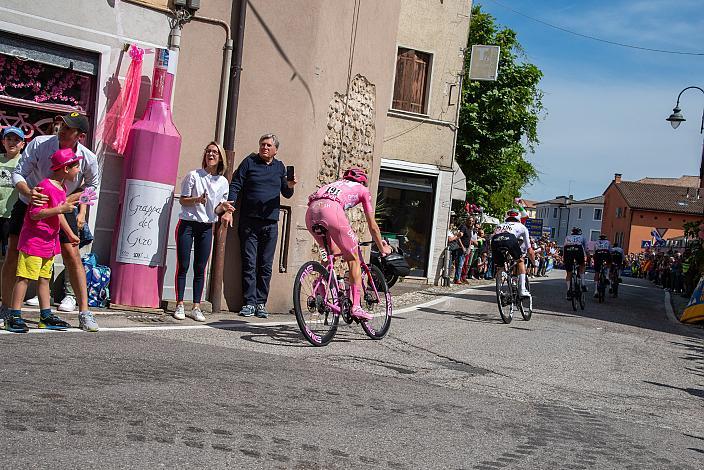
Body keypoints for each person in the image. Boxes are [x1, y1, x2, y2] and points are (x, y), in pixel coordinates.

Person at [4, 112, 99, 331]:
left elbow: (92, 186)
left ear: (80, 136)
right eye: (61, 125)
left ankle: (84, 312)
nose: (62, 130)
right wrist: (30, 191)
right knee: (14, 254)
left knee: (72, 254)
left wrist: (75, 202)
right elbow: (18, 173)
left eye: (68, 128)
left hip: (62, 206)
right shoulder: (40, 143)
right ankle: (8, 309)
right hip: (29, 203)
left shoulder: (88, 158)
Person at [4, 148, 81, 333]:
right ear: (65, 168)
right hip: (34, 241)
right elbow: (36, 214)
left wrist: (70, 234)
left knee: (44, 279)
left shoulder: (61, 188)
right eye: (75, 166)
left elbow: (59, 214)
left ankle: (45, 316)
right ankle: (13, 316)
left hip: (48, 242)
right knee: (24, 278)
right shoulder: (45, 186)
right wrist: (60, 210)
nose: (78, 170)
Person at [305, 168, 392, 320]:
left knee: (330, 252)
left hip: (312, 212)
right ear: (363, 181)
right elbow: (372, 225)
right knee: (353, 258)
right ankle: (356, 306)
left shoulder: (334, 184)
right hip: (331, 210)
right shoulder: (363, 190)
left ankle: (318, 286)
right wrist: (381, 247)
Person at [228, 133, 296, 318]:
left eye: (268, 145)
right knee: (249, 263)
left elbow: (287, 194)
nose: (264, 148)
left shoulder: (280, 167)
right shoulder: (249, 162)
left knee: (265, 265)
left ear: (275, 150)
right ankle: (249, 302)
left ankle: (260, 303)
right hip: (249, 222)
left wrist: (290, 185)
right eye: (262, 144)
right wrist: (229, 207)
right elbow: (235, 185)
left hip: (270, 224)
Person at [173, 142, 234, 322]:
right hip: (188, 224)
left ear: (220, 157)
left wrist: (223, 208)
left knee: (200, 267)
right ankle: (180, 304)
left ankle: (197, 306)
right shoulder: (194, 176)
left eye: (215, 152)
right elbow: (183, 201)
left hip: (207, 226)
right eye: (208, 151)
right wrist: (197, 199)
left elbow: (215, 211)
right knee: (183, 264)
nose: (211, 154)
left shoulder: (223, 182)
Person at [490, 209, 535, 298]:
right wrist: (534, 263)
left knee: (500, 266)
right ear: (518, 217)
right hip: (510, 239)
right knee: (520, 261)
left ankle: (500, 289)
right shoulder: (522, 226)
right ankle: (522, 290)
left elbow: (493, 236)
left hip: (495, 240)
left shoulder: (499, 225)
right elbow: (529, 249)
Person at [0, 127, 25, 256]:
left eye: (16, 140)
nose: (12, 142)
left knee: (9, 252)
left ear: (22, 144)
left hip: (13, 215)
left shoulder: (25, 162)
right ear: (3, 141)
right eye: (8, 139)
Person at [563, 227, 587, 300]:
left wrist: (564, 258)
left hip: (568, 250)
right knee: (582, 265)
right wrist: (585, 258)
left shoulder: (567, 237)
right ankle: (583, 284)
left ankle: (568, 290)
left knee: (569, 273)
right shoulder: (582, 237)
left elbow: (564, 247)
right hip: (578, 249)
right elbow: (585, 248)